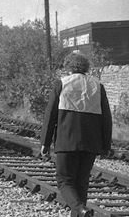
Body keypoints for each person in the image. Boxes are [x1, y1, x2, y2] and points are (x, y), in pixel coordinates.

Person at [40, 52, 113, 217]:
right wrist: (106, 145)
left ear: (68, 67)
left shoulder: (62, 83)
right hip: (91, 143)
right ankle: (81, 211)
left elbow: (50, 114)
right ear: (86, 67)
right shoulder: (98, 86)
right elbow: (107, 118)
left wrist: (45, 142)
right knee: (81, 183)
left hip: (67, 140)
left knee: (64, 181)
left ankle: (80, 209)